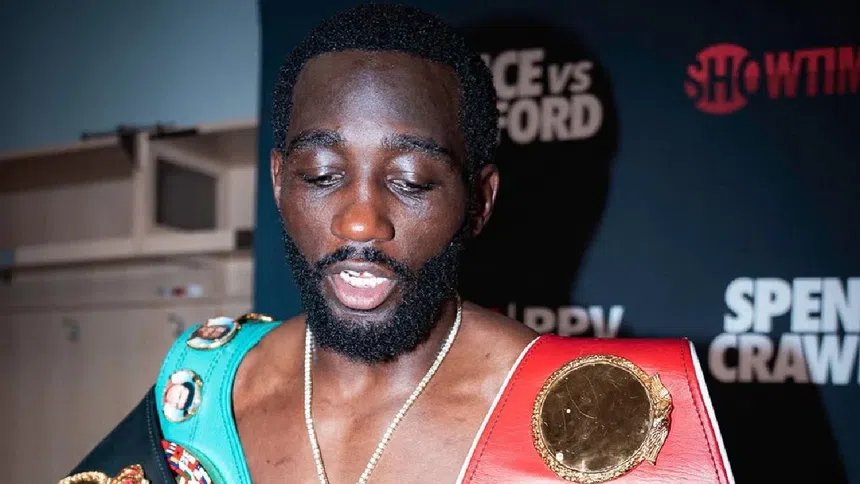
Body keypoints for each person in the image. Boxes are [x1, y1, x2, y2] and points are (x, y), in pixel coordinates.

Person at [62, 4, 733, 484]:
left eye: (411, 182)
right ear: (279, 183)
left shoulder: (611, 421)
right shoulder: (202, 389)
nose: (360, 223)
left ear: (480, 201)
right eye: (321, 175)